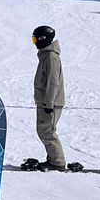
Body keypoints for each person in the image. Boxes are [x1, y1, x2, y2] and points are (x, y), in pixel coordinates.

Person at [32, 26, 65, 171]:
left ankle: (57, 162)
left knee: (47, 131)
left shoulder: (51, 56)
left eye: (35, 39)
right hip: (46, 102)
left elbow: (53, 81)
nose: (34, 43)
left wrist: (49, 104)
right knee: (44, 130)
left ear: (42, 39)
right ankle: (53, 159)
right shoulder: (46, 55)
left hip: (50, 103)